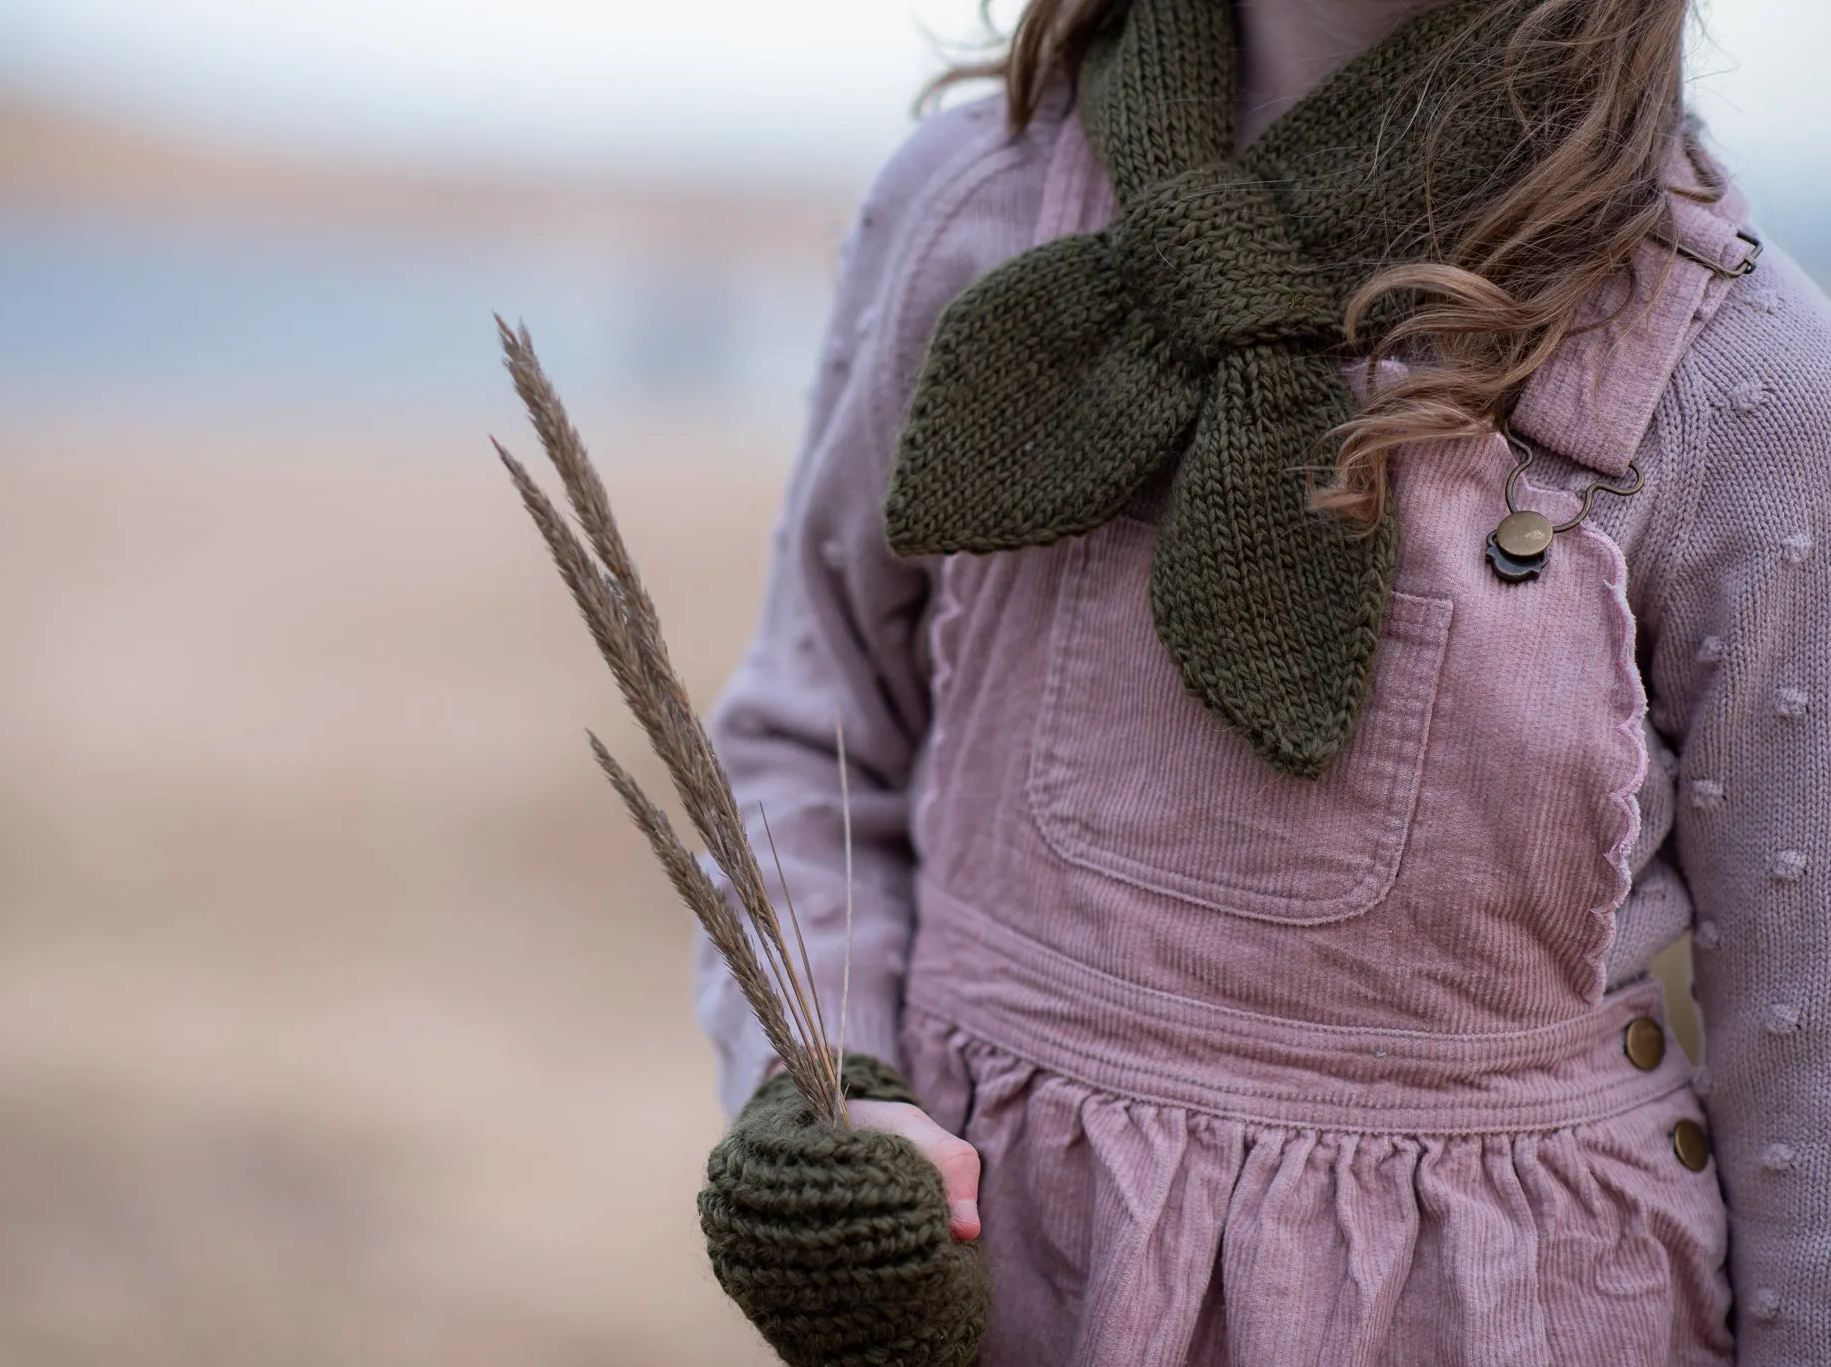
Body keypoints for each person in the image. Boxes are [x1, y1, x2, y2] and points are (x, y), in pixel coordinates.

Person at [695, 0, 1829, 1360]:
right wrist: (828, 1091)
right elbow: (808, 744)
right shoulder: (971, 217)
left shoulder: (1743, 379)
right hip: (1007, 1294)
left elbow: (1804, 1051)